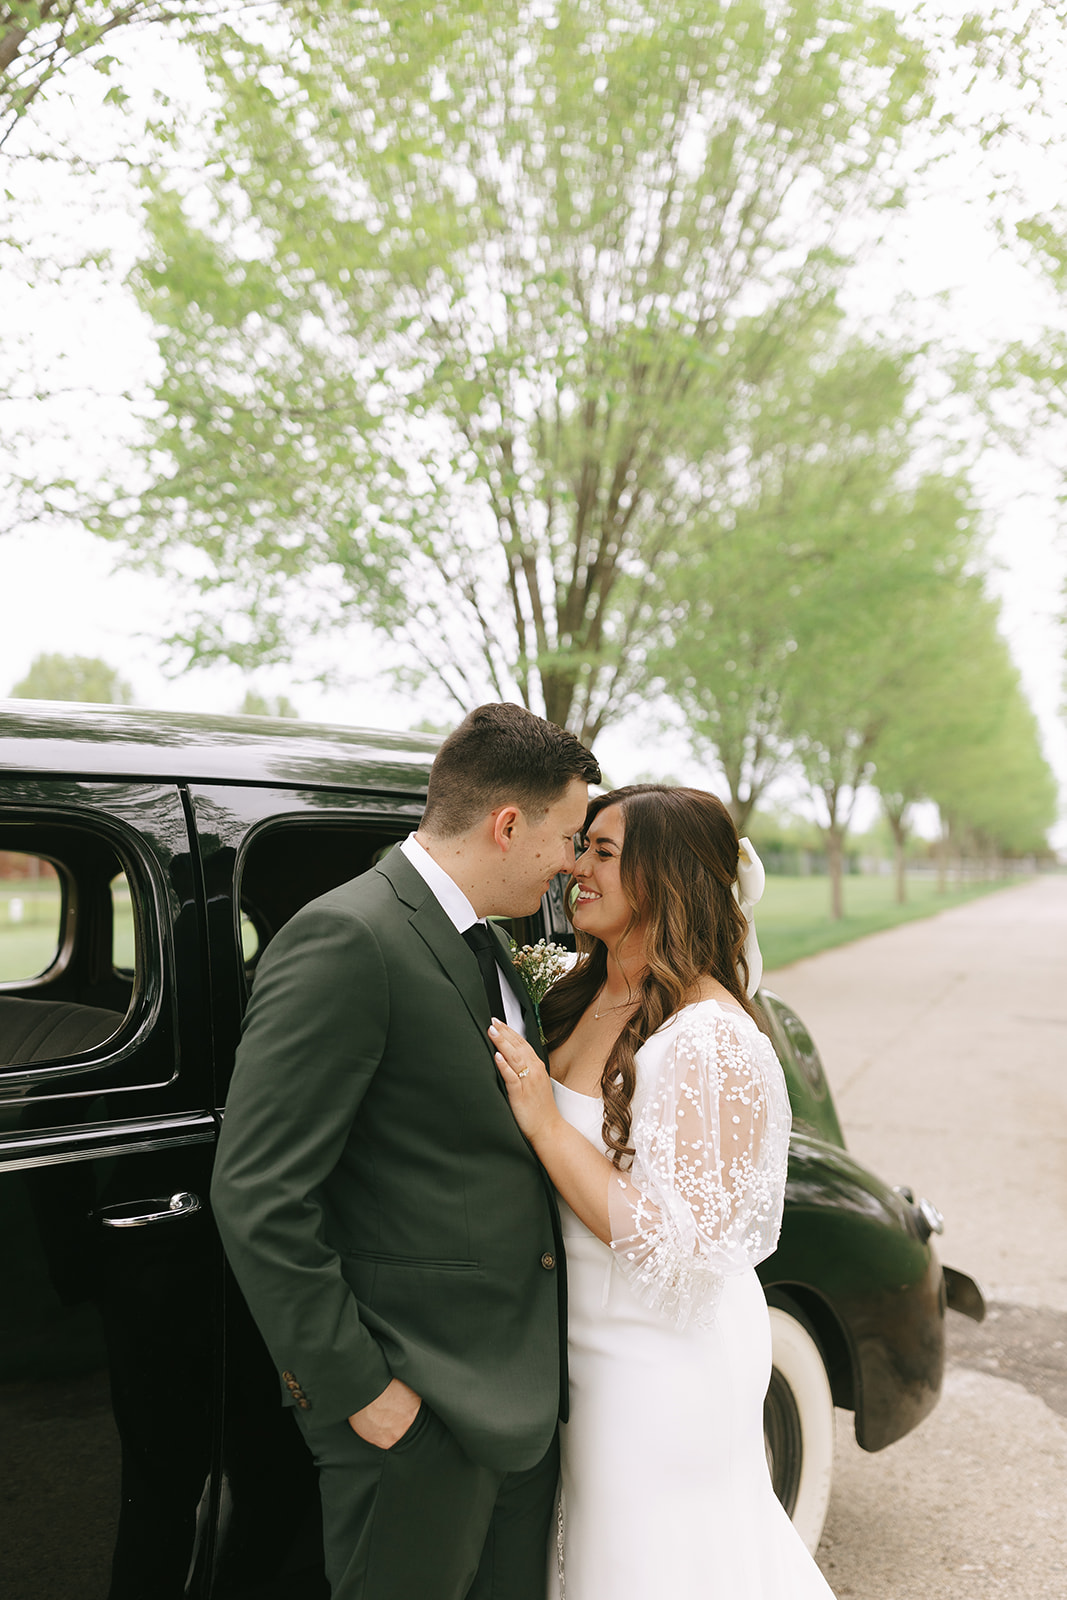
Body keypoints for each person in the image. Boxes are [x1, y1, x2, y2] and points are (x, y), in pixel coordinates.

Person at [210, 703, 600, 1600]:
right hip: (411, 1410)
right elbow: (259, 1192)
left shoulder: (490, 941)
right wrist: (361, 1394)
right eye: (570, 837)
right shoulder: (350, 936)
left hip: (516, 1408)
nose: (572, 863)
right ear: (509, 825)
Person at [489, 784, 838, 1599]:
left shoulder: (712, 1038)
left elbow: (677, 1247)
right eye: (583, 847)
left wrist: (545, 1122)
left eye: (602, 853)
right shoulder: (583, 990)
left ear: (665, 877)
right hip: (583, 1348)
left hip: (662, 1362)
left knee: (648, 1566)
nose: (577, 868)